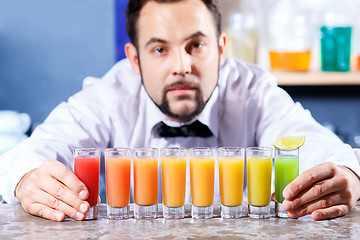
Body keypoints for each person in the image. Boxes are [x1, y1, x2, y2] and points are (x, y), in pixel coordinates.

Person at [1, 0, 360, 222]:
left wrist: (347, 174)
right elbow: (29, 154)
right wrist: (26, 179)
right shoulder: (108, 95)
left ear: (221, 49)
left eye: (196, 45)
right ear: (134, 60)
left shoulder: (253, 90)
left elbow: (323, 148)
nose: (182, 66)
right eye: (159, 50)